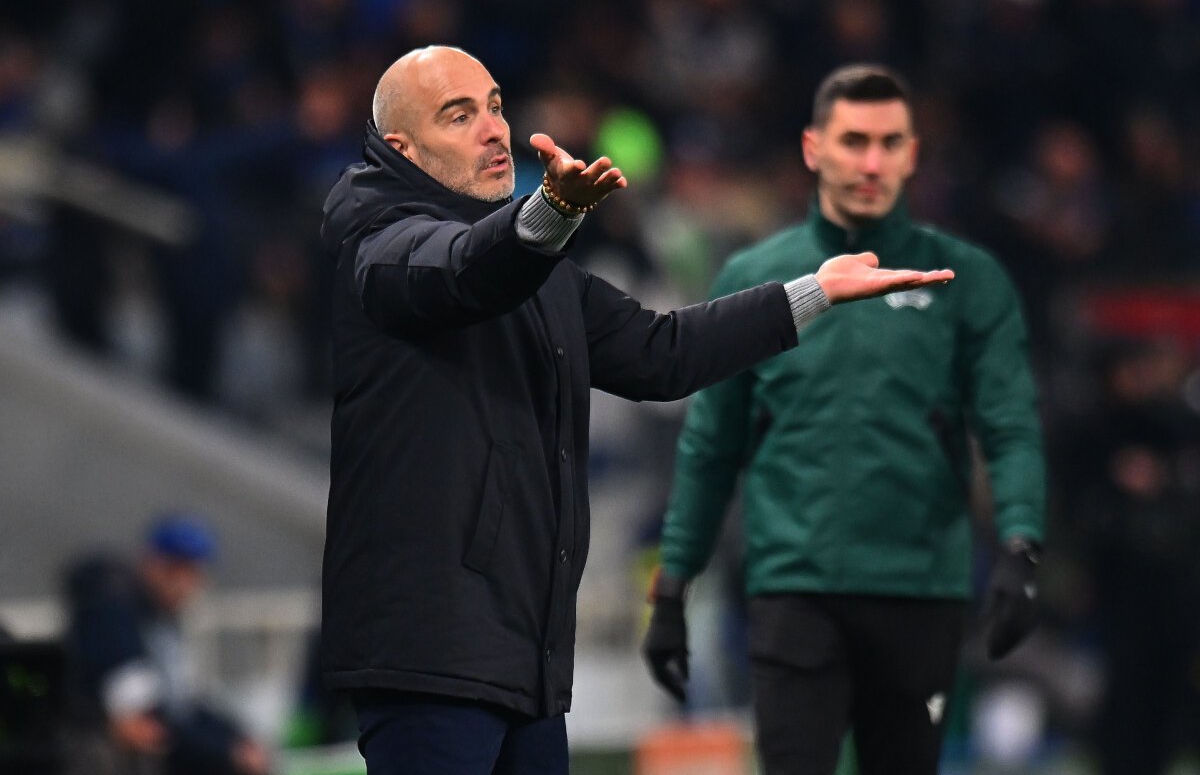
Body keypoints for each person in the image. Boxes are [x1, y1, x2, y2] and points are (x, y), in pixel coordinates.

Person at [319, 45, 952, 775]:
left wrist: (811, 292)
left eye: (494, 106)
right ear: (403, 148)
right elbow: (465, 272)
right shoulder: (382, 247)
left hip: (524, 660)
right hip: (429, 658)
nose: (493, 129)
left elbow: (662, 353)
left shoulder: (541, 277)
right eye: (458, 116)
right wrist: (550, 214)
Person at [642, 64, 1046, 775]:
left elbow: (1009, 425)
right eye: (854, 140)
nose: (872, 162)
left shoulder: (967, 281)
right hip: (794, 589)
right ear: (812, 148)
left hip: (920, 589)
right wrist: (674, 583)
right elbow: (712, 443)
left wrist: (1021, 545)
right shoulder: (755, 280)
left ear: (913, 155)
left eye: (890, 143)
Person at [61, 513, 271, 775]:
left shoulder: (161, 620)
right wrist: (227, 753)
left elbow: (182, 705)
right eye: (175, 570)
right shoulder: (113, 616)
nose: (184, 584)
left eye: (192, 573)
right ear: (151, 563)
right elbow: (147, 723)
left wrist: (237, 738)